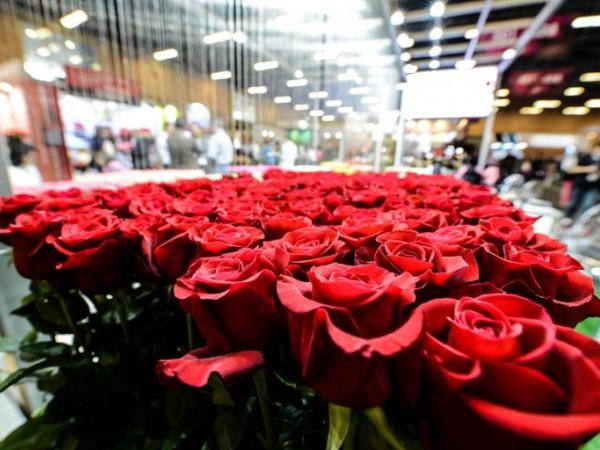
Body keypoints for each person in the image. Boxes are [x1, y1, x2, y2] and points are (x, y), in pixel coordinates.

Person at [564, 146, 600, 218]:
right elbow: (572, 169)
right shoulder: (585, 158)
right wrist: (588, 169)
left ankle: (583, 222)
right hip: (580, 184)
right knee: (573, 203)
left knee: (588, 205)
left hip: (593, 186)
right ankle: (567, 218)